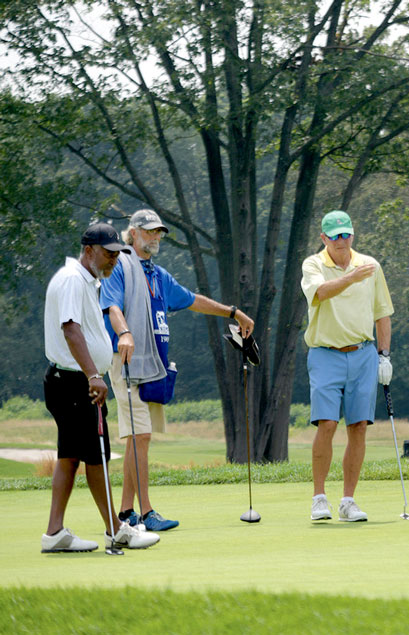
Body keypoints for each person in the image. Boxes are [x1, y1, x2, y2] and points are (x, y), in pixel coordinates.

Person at [101, 210, 254, 531]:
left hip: (153, 364)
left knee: (136, 438)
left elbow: (191, 299)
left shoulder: (158, 275)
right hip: (127, 359)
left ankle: (126, 511)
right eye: (149, 232)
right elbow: (111, 305)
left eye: (159, 232)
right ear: (132, 233)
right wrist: (125, 333)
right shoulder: (120, 267)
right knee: (140, 435)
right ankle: (146, 513)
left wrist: (233, 312)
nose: (155, 237)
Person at [42, 223, 159, 553]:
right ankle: (116, 530)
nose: (113, 261)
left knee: (70, 457)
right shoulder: (71, 280)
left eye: (116, 255)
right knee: (97, 456)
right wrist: (94, 375)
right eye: (109, 254)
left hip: (71, 380)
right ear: (89, 250)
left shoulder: (85, 281)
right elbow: (70, 329)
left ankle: (54, 533)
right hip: (77, 383)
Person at [301, 210, 393, 522]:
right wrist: (351, 277)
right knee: (327, 423)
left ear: (352, 235)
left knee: (358, 426)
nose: (342, 240)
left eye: (346, 234)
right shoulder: (314, 264)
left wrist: (385, 355)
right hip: (326, 353)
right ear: (323, 238)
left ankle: (348, 500)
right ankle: (319, 498)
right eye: (335, 235)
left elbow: (382, 313)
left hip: (364, 353)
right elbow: (320, 292)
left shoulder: (371, 265)